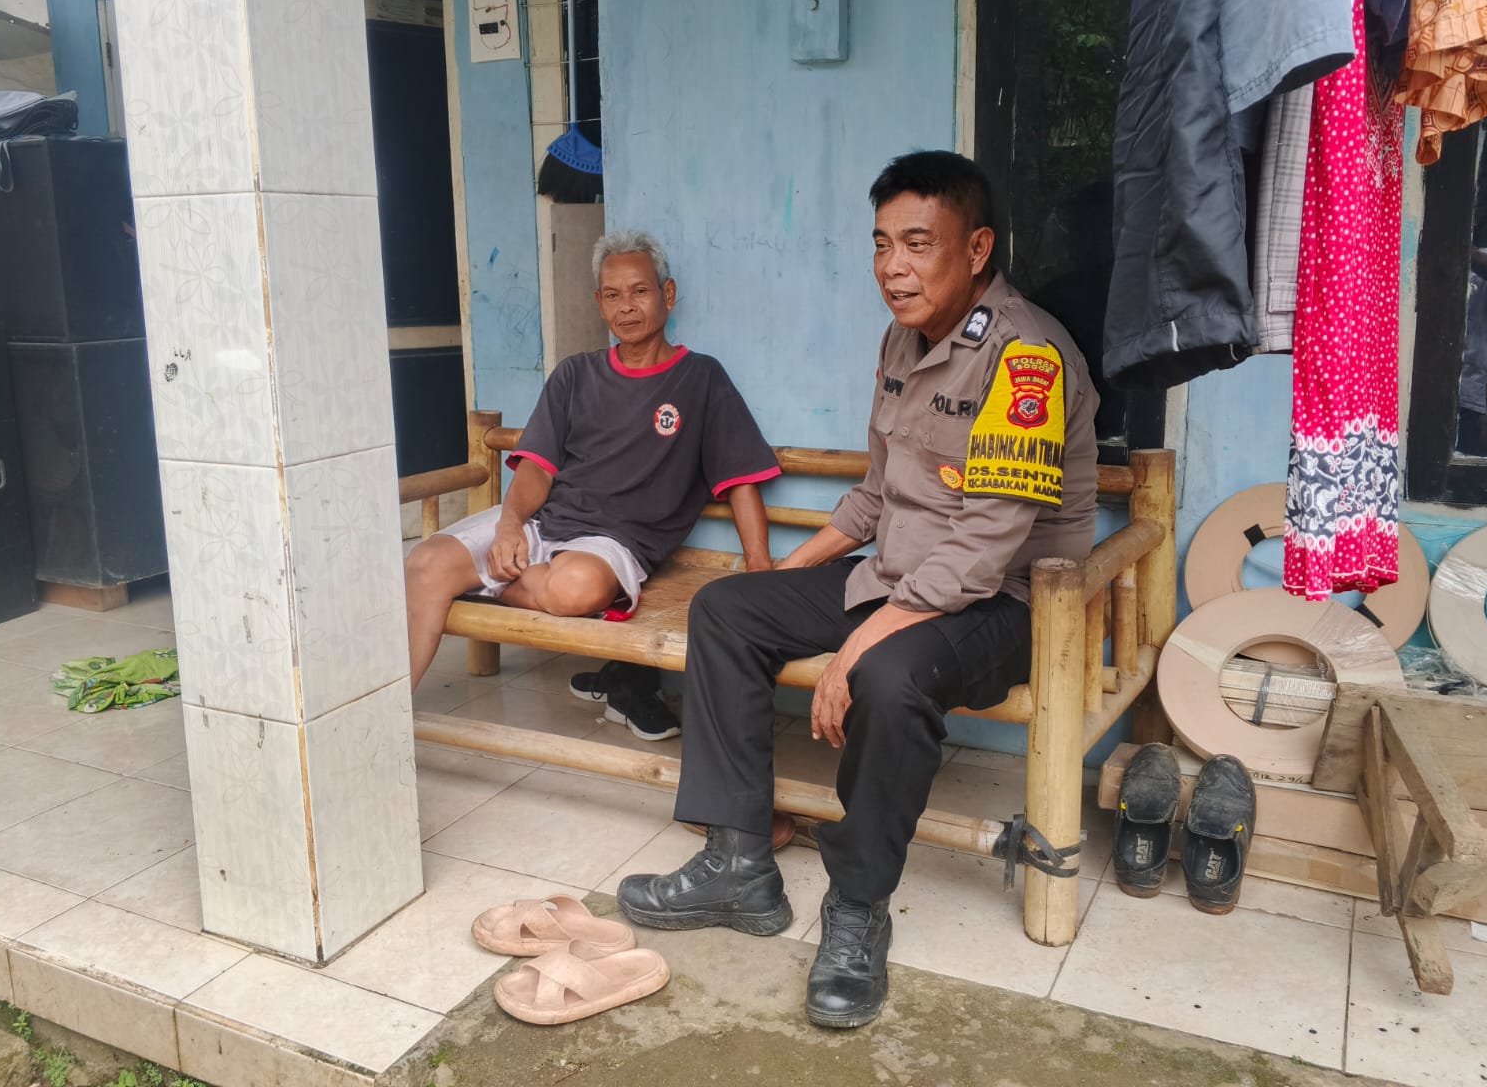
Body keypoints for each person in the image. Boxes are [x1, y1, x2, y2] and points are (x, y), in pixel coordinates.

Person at [616, 151, 1100, 1028]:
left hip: (1002, 605)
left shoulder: (1025, 359)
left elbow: (981, 555)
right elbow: (876, 498)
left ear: (977, 249)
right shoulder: (900, 342)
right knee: (726, 608)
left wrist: (853, 649)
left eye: (918, 243)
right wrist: (782, 583)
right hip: (898, 579)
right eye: (881, 244)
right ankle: (737, 865)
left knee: (886, 676)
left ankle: (857, 907)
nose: (893, 267)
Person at [403, 230, 781, 739]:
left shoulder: (700, 378)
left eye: (640, 291)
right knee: (425, 563)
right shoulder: (574, 375)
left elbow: (740, 481)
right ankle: (378, 725)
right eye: (613, 295)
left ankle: (485, 583)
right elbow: (537, 468)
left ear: (667, 294)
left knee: (575, 587)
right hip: (544, 523)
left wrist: (759, 569)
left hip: (614, 544)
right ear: (599, 303)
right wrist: (511, 525)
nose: (627, 306)